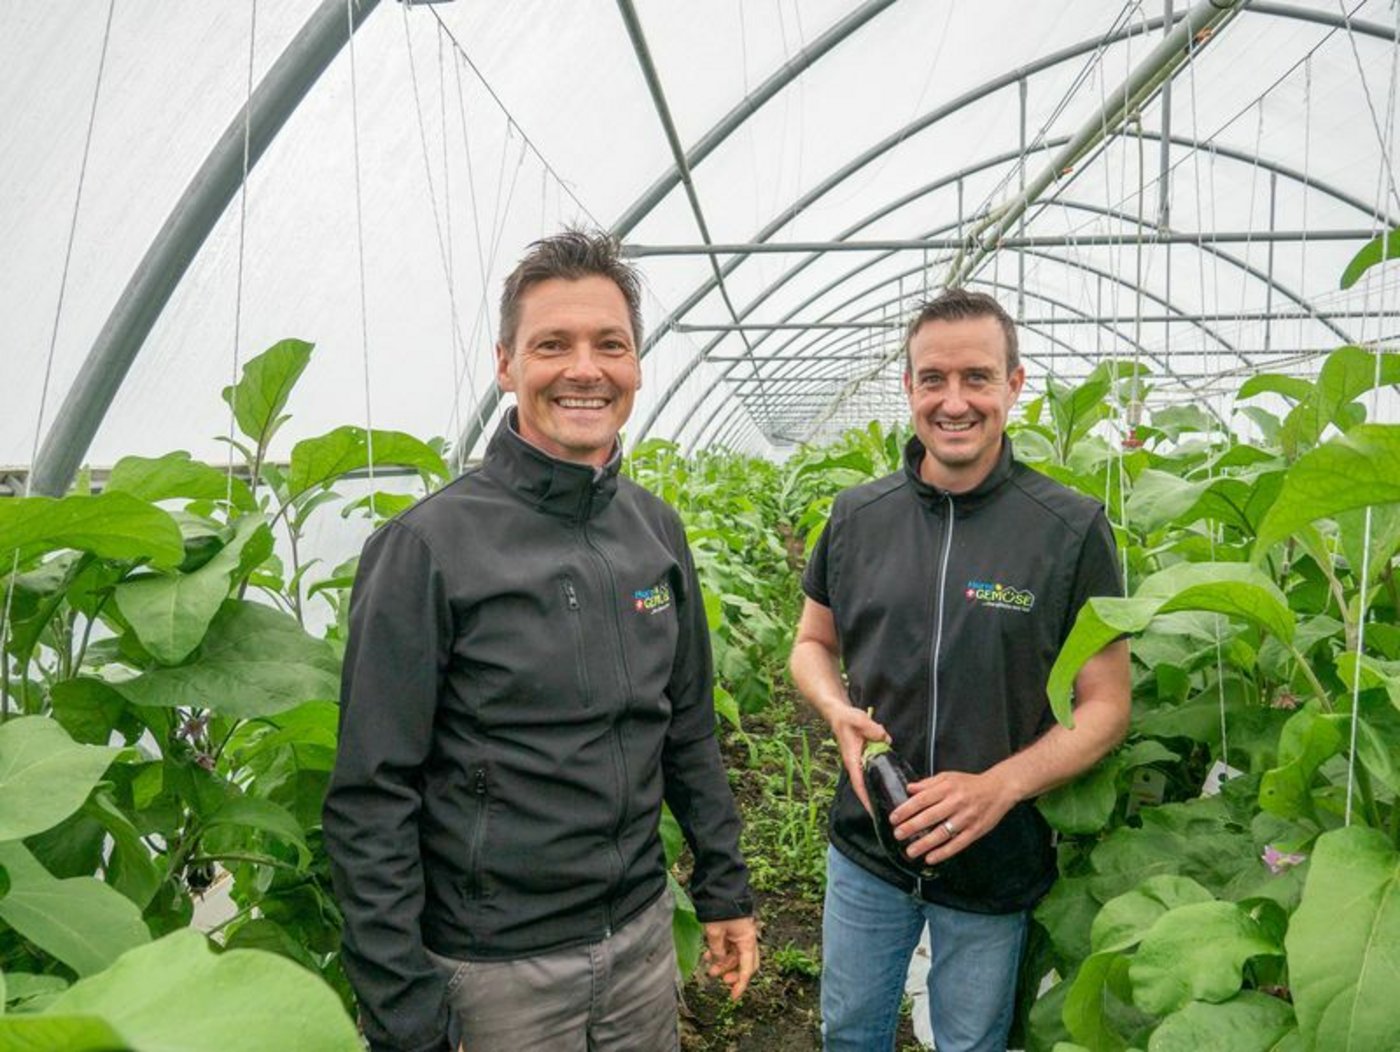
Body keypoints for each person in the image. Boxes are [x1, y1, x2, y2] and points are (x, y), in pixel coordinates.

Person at [324, 229, 758, 1052]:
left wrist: (726, 889)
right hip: (494, 973)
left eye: (610, 344)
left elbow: (689, 727)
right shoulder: (428, 548)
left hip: (639, 939)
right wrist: (402, 1007)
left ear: (636, 364)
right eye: (552, 344)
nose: (585, 369)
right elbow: (371, 798)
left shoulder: (654, 531)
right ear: (506, 365)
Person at [789, 288, 1131, 1052]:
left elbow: (1106, 703)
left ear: (1014, 385)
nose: (954, 401)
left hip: (995, 855)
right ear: (907, 389)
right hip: (869, 843)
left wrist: (999, 787)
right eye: (933, 379)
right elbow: (812, 644)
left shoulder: (1070, 530)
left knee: (971, 1042)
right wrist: (834, 709)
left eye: (977, 377)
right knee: (848, 1030)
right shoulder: (857, 516)